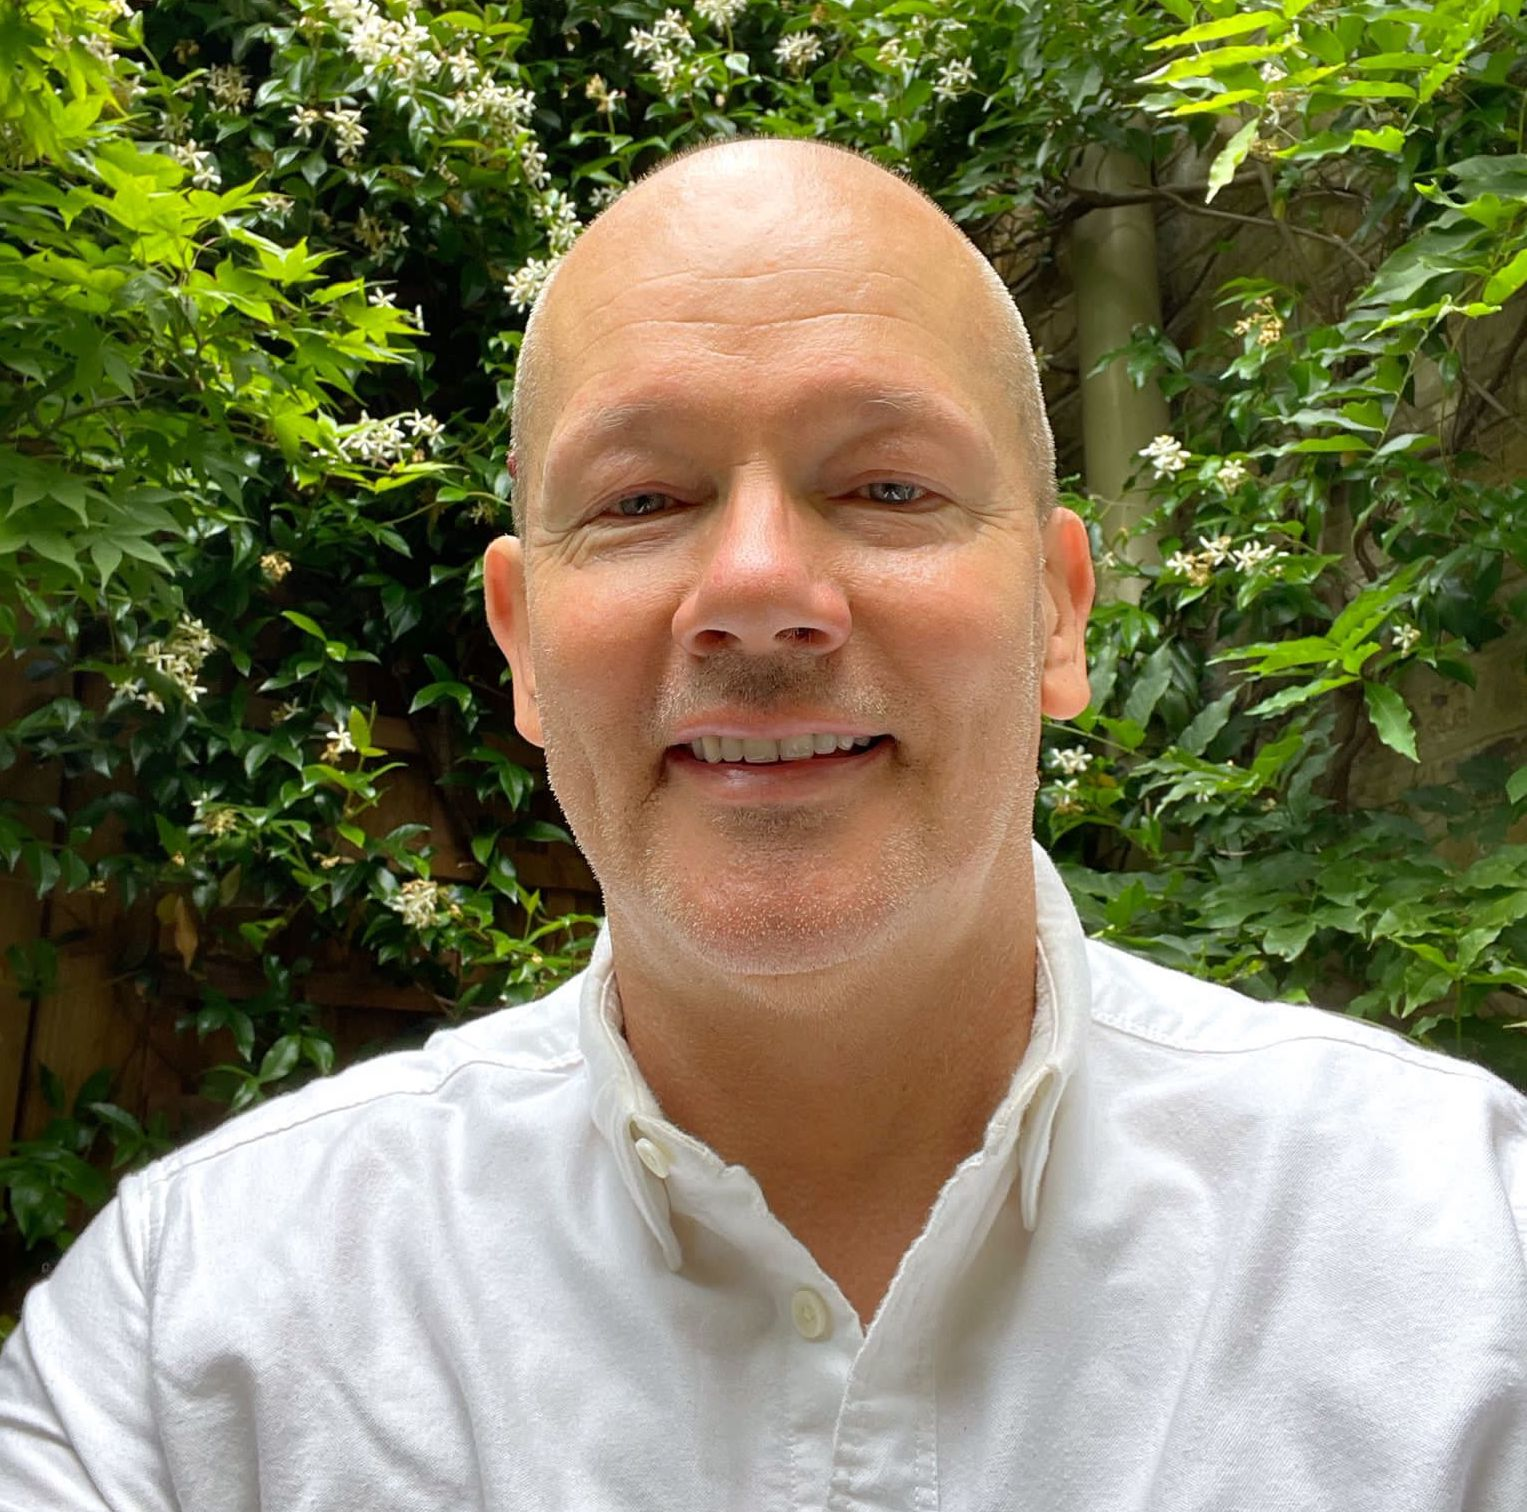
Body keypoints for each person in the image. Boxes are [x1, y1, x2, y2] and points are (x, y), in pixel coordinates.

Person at [1, 136, 1523, 1511]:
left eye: (884, 485)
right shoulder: (189, 1348)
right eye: (642, 502)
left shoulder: (1469, 1275)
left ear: (1060, 615)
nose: (754, 592)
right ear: (522, 645)